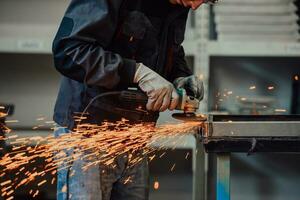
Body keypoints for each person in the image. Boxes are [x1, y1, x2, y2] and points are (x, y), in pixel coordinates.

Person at [52, 0, 213, 199]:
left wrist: (179, 76)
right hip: (88, 134)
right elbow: (69, 51)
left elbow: (169, 49)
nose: (196, 6)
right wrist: (135, 72)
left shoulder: (180, 4)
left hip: (135, 136)